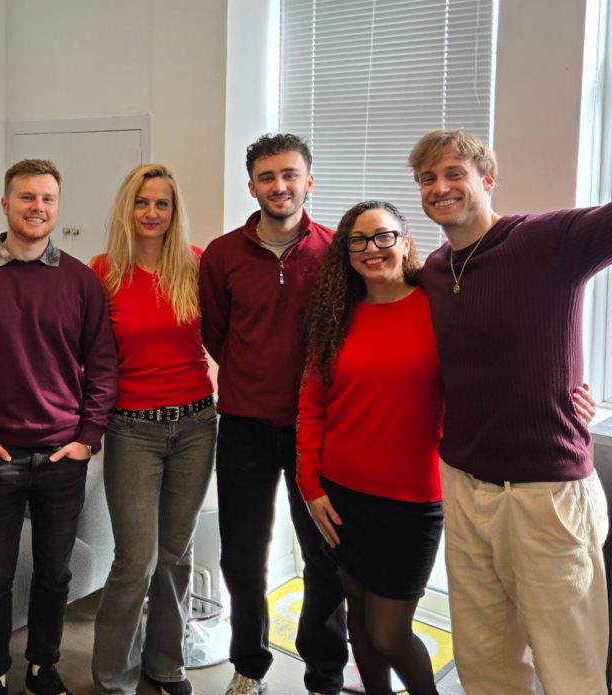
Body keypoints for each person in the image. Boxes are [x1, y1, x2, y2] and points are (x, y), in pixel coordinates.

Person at [409, 128, 612, 694]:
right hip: (465, 485)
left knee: (569, 668)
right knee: (486, 665)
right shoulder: (434, 269)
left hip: (544, 495)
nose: (440, 186)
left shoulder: (547, 240)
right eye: (428, 178)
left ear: (487, 180)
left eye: (454, 174)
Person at [0, 158, 119, 695]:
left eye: (47, 199)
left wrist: (88, 440)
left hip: (62, 457)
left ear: (57, 207)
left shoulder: (81, 282)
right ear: (5, 204)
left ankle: (43, 667)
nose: (37, 207)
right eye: (26, 197)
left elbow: (104, 365)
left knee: (54, 576)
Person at [200, 134, 347, 695]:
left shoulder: (337, 251)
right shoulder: (222, 254)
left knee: (324, 558)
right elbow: (217, 332)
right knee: (242, 556)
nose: (279, 186)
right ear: (252, 186)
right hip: (243, 428)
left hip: (319, 431)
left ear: (309, 181)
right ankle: (250, 665)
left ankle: (325, 675)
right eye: (267, 177)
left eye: (290, 175)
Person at [297, 201, 443, 695]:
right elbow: (312, 406)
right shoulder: (337, 317)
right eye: (357, 240)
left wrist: (565, 391)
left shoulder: (438, 308)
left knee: (389, 630)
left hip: (413, 500)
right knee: (356, 611)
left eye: (383, 236)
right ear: (346, 252)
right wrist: (310, 485)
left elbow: (493, 368)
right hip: (342, 494)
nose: (371, 249)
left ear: (405, 241)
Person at [89, 164, 216, 695]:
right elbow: (85, 354)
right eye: (142, 202)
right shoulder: (103, 271)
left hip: (194, 425)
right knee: (135, 560)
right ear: (127, 208)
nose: (151, 213)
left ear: (173, 211)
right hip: (132, 429)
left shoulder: (197, 265)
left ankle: (166, 664)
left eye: (161, 203)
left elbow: (233, 336)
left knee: (175, 555)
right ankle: (112, 675)